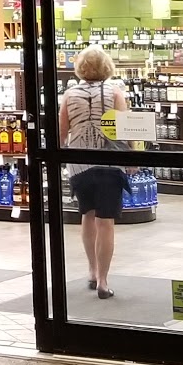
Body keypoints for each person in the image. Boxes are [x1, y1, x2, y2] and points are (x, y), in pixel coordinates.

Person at [59, 46, 130, 300]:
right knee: (106, 221)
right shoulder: (115, 92)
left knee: (87, 215)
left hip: (79, 163)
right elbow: (123, 129)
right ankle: (103, 280)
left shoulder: (69, 94)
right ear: (107, 66)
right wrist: (131, 158)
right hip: (108, 162)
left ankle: (91, 270)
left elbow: (62, 132)